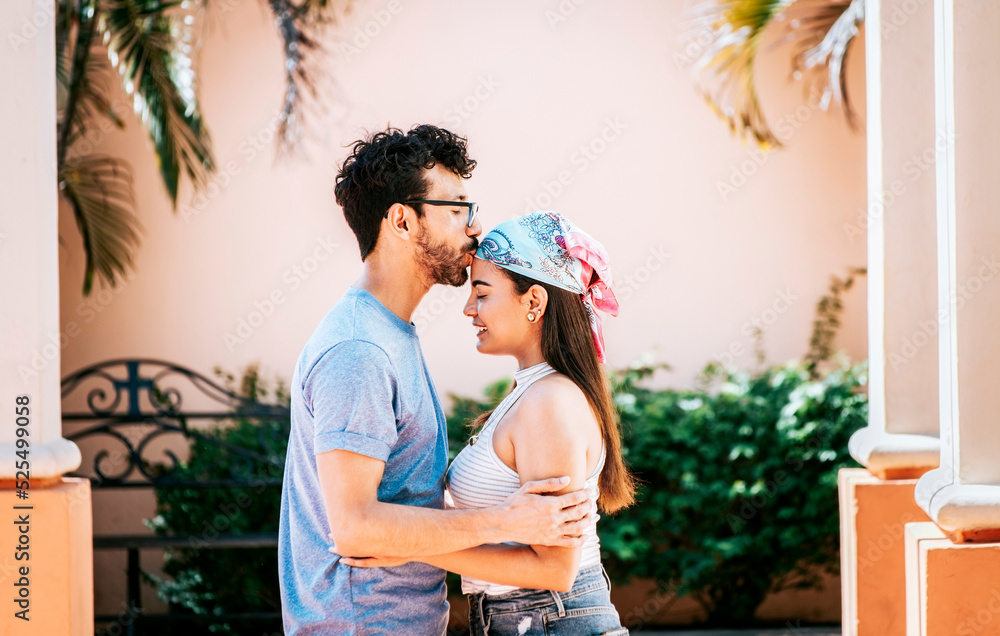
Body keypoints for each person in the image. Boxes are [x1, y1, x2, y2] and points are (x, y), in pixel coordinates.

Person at [277, 126, 595, 636]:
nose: (475, 228)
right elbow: (356, 527)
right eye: (457, 209)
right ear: (402, 220)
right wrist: (506, 522)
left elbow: (402, 503)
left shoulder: (390, 335)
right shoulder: (360, 350)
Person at [338, 210, 636, 636]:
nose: (468, 309)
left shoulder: (551, 402)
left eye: (482, 293)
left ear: (534, 301)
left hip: (550, 619)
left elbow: (555, 569)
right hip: (529, 620)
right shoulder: (531, 395)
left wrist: (410, 548)